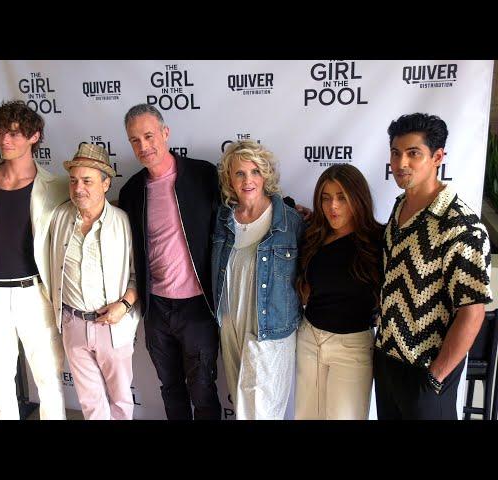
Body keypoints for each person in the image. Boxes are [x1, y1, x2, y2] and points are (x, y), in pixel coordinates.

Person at [374, 113, 492, 419]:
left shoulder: (461, 225)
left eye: (414, 154)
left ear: (437, 157)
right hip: (387, 362)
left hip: (426, 373)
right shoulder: (401, 205)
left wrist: (435, 377)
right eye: (396, 153)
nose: (401, 163)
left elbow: (473, 312)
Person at [118, 104, 222, 420]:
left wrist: (285, 207)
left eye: (149, 136)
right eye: (135, 140)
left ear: (165, 133)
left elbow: (242, 207)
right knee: (170, 388)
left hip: (198, 307)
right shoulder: (132, 190)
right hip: (157, 308)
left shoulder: (204, 175)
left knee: (203, 389)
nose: (143, 146)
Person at [0, 100, 68, 420]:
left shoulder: (57, 188)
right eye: (0, 132)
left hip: (35, 294)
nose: (5, 140)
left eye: (14, 133)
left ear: (34, 136)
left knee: (48, 379)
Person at [211, 140, 304, 419]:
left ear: (265, 176)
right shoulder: (223, 219)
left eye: (255, 172)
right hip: (229, 324)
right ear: (229, 179)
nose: (247, 180)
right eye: (239, 173)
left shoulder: (289, 220)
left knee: (262, 410)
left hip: (269, 327)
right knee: (243, 407)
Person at [49, 143, 139, 420]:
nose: (78, 188)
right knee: (90, 402)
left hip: (113, 324)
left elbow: (139, 275)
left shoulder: (124, 223)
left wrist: (124, 305)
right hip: (73, 323)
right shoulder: (58, 218)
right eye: (74, 181)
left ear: (105, 183)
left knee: (122, 399)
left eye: (87, 181)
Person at [294, 164, 383, 419]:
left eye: (342, 197)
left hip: (352, 347)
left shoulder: (378, 240)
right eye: (326, 198)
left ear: (358, 198)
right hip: (310, 338)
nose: (333, 206)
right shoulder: (313, 236)